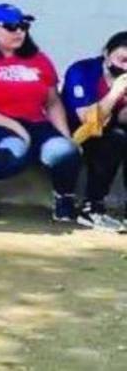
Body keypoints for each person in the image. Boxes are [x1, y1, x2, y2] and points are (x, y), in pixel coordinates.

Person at [0, 3, 81, 222]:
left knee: (64, 151)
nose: (19, 31)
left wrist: (66, 136)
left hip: (35, 122)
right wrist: (15, 128)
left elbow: (52, 102)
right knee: (14, 150)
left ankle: (64, 198)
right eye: (11, 27)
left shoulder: (39, 59)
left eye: (23, 26)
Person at [61, 31, 127, 233]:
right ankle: (92, 208)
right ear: (107, 54)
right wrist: (116, 91)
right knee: (116, 139)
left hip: (109, 129)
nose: (126, 67)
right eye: (123, 59)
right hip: (77, 132)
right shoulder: (82, 71)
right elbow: (88, 122)